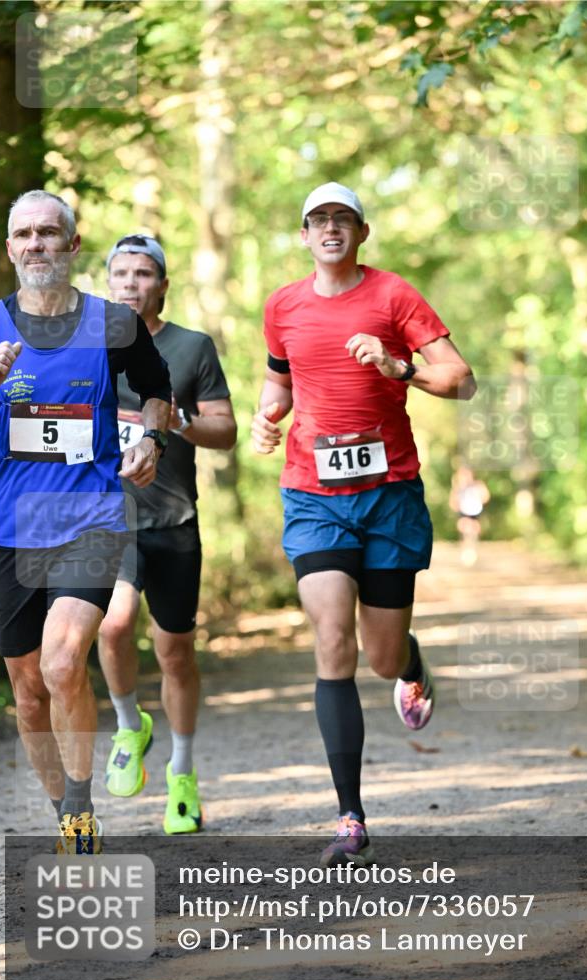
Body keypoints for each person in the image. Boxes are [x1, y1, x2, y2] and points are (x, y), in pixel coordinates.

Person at [251, 182, 476, 866]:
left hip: (387, 495)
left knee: (378, 656)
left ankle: (409, 664)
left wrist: (397, 366)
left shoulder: (392, 296)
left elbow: (461, 380)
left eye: (341, 220)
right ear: (302, 234)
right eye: (317, 219)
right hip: (313, 496)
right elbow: (281, 380)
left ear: (361, 232)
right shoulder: (282, 305)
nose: (329, 229)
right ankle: (349, 816)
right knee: (331, 639)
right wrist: (267, 416)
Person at [0, 191, 171, 853]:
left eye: (48, 232)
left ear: (72, 244)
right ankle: (66, 812)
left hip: (88, 518)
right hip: (4, 529)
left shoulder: (111, 324)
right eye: (23, 234)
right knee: (29, 692)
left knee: (64, 664)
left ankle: (84, 814)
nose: (36, 244)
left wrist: (152, 440)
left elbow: (157, 390)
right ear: (9, 249)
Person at [97, 234, 236, 834]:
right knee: (114, 623)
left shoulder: (191, 347)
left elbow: (226, 430)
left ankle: (181, 771)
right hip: (107, 517)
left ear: (163, 284)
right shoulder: (87, 343)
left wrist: (175, 420)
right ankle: (130, 724)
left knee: (175, 650)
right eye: (121, 272)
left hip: (175, 519)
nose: (131, 283)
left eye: (144, 273)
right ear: (108, 282)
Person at [449, 465, 490, 566]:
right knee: (464, 528)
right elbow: (453, 502)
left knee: (474, 529)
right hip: (464, 510)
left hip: (475, 511)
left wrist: (480, 498)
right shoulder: (458, 487)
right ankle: (466, 550)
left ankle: (472, 549)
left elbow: (486, 497)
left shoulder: (478, 485)